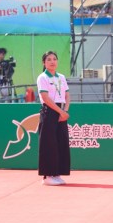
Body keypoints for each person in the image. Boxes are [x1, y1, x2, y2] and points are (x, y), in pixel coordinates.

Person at [37, 51, 70, 186]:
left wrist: (65, 111)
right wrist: (60, 111)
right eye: (49, 59)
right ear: (44, 62)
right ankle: (47, 176)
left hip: (61, 112)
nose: (52, 62)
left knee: (61, 142)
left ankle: (57, 173)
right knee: (48, 143)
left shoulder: (61, 77)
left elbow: (67, 95)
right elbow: (45, 98)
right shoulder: (42, 77)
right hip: (49, 111)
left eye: (54, 59)